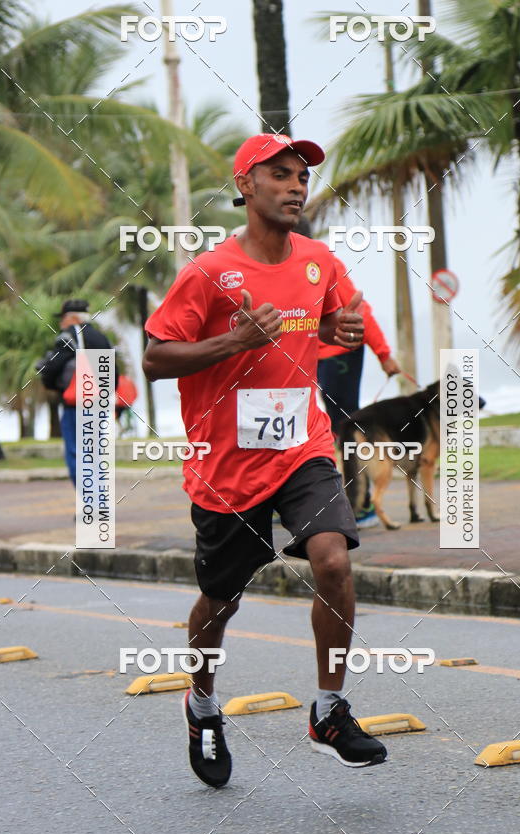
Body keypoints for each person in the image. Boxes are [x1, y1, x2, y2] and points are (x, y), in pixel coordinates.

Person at [143, 133, 388, 789]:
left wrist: (344, 334)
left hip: (302, 446)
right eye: (280, 175)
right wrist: (234, 340)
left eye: (302, 177)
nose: (296, 186)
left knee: (333, 558)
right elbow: (154, 357)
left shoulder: (318, 260)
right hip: (226, 465)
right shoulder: (207, 273)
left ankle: (329, 711)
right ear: (246, 185)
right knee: (219, 603)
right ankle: (200, 702)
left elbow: (336, 325)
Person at [294, 218, 401, 528]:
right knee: (317, 429)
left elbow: (360, 311)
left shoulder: (325, 264)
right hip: (313, 361)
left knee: (348, 429)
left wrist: (384, 355)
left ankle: (362, 505)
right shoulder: (275, 270)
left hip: (342, 356)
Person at [37, 299, 115, 485]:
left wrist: (52, 385)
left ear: (72, 318)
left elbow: (52, 367)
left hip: (76, 404)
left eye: (63, 318)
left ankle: (90, 502)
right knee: (95, 454)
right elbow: (113, 373)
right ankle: (98, 500)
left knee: (77, 454)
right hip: (98, 403)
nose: (61, 322)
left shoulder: (68, 337)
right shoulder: (102, 338)